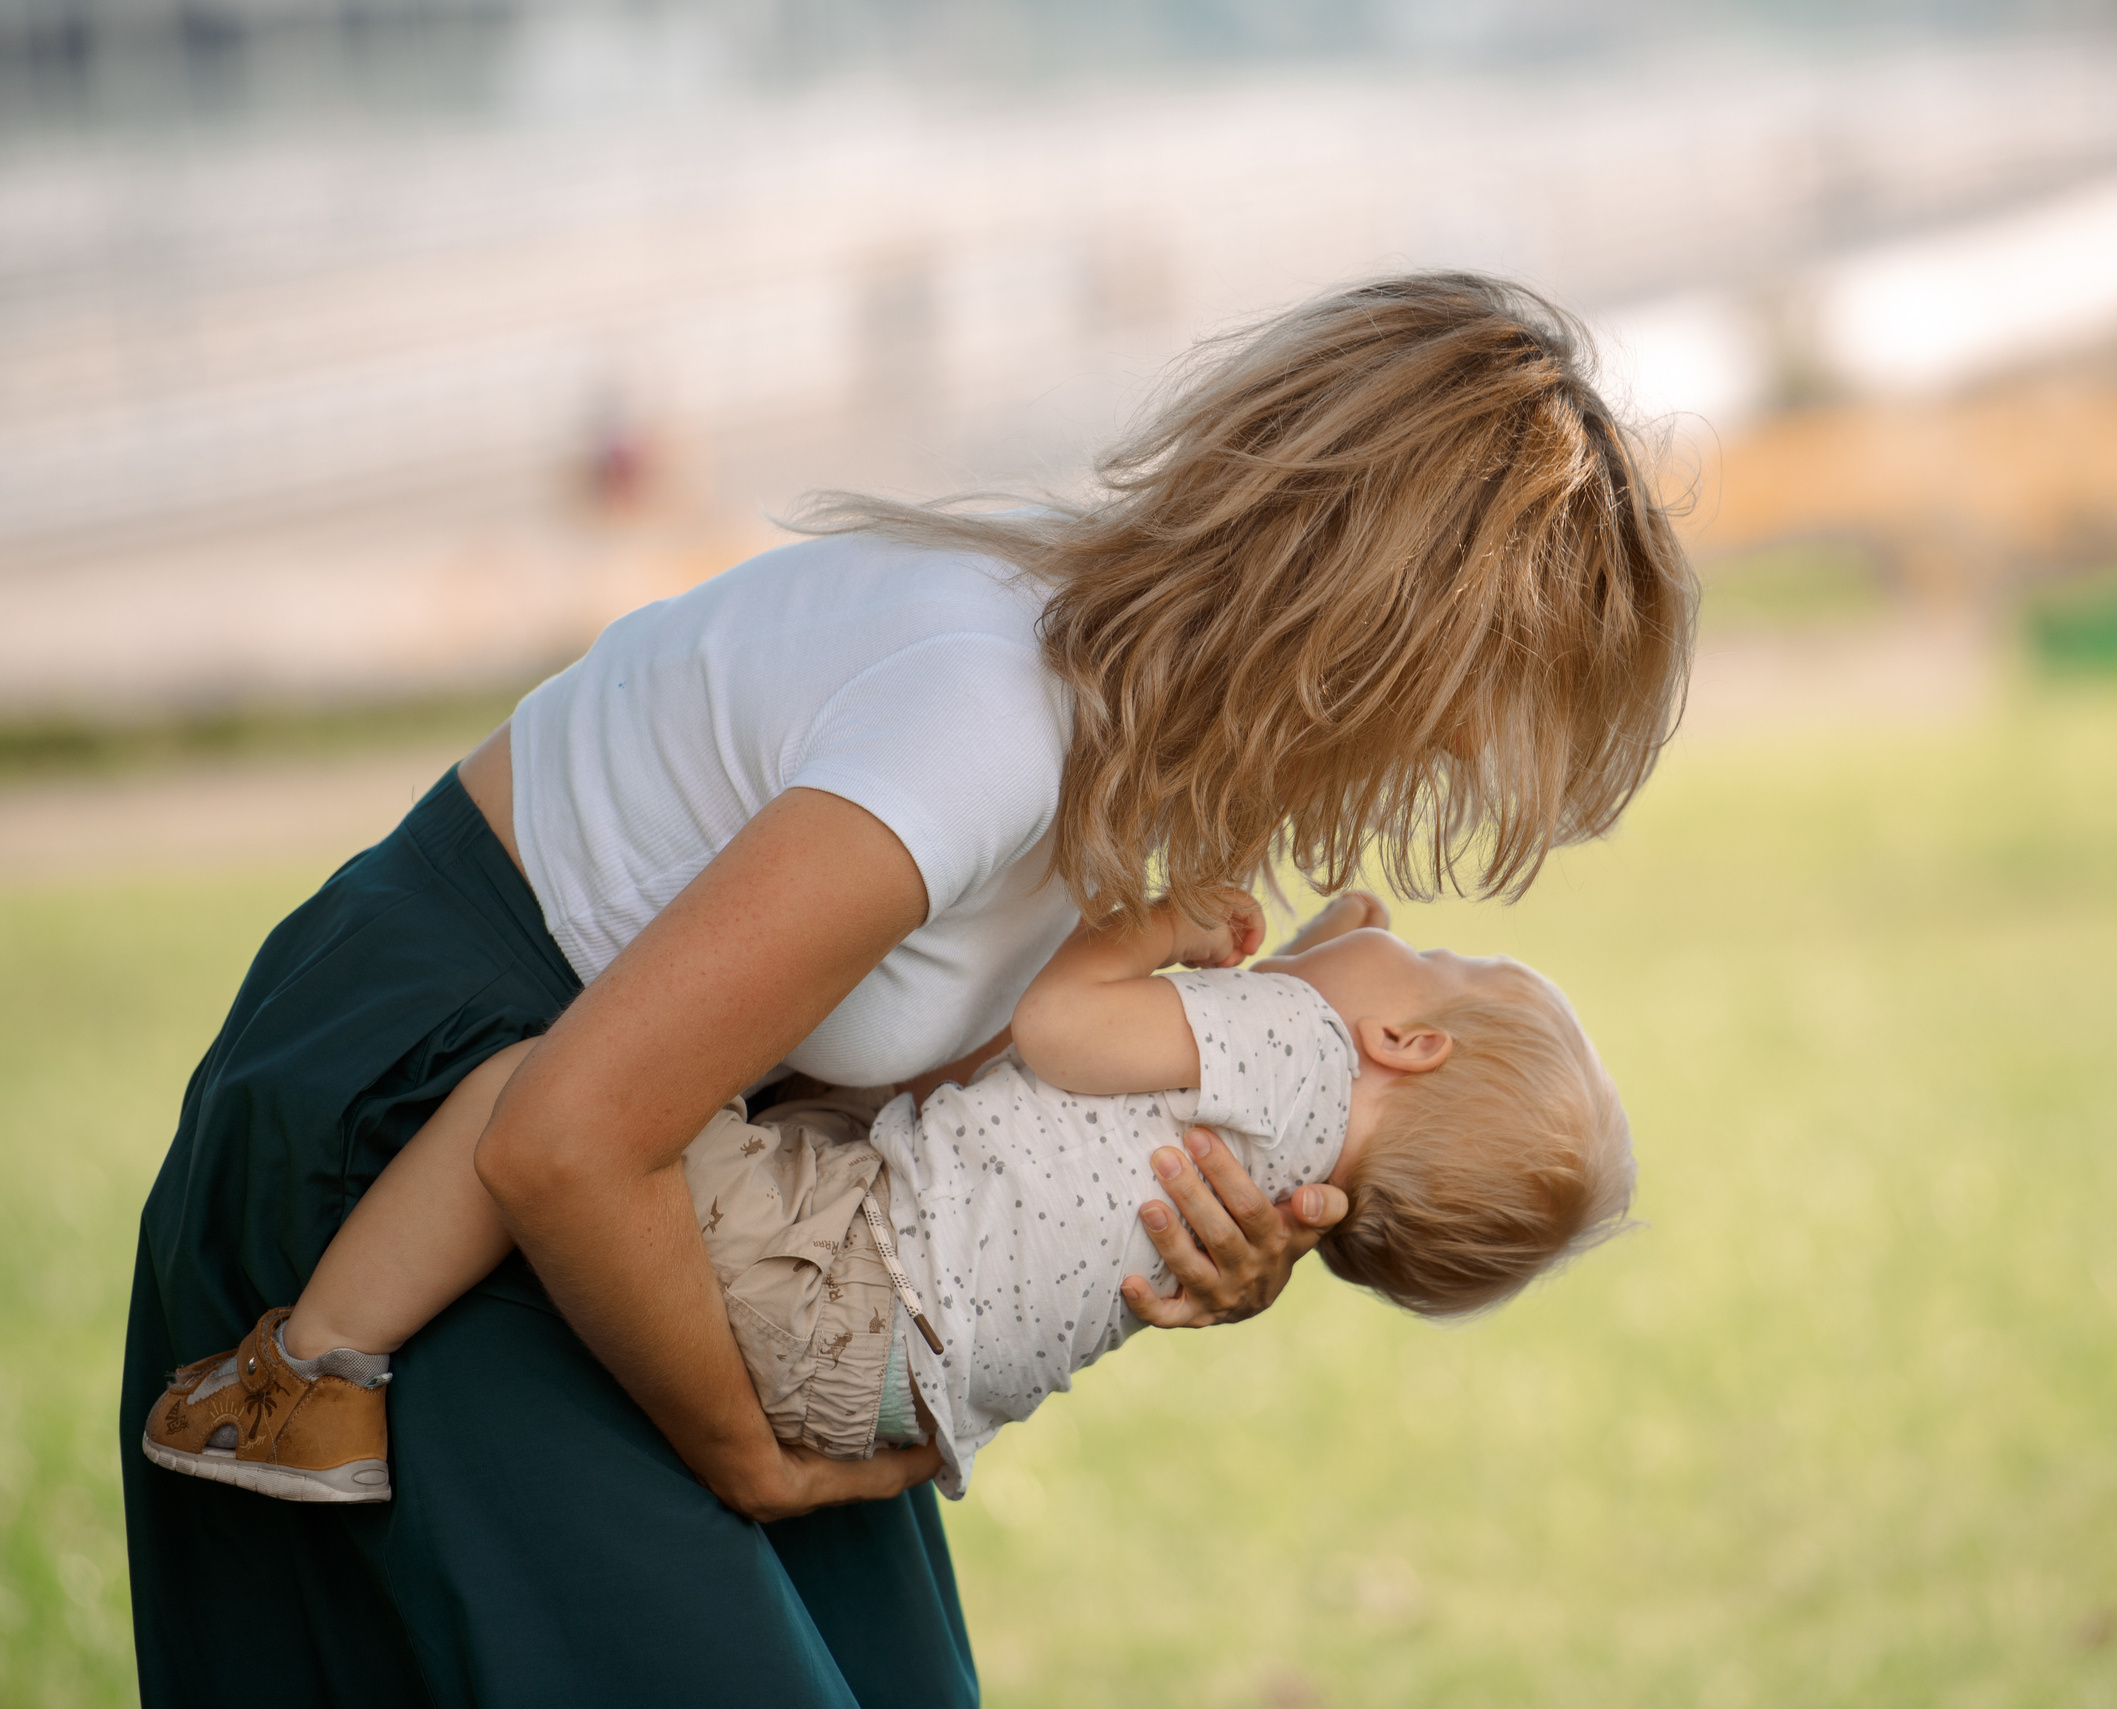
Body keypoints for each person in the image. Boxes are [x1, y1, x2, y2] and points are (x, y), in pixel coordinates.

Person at [120, 270, 1695, 1708]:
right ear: (1360, 639)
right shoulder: (987, 712)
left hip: (706, 1171)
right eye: (1445, 731)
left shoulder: (1135, 713)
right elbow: (557, 1134)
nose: (1416, 793)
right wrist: (751, 1457)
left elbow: (889, 1070)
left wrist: (1192, 1204)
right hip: (436, 1124)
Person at [141, 891, 1632, 1503]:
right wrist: (1312, 949)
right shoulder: (1286, 1166)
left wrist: (1152, 923)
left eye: (1439, 957)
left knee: (541, 1099)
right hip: (887, 1388)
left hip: (843, 1269)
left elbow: (1060, 1026)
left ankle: (311, 1373)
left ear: (1407, 1040)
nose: (1401, 928)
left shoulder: (1296, 1042)